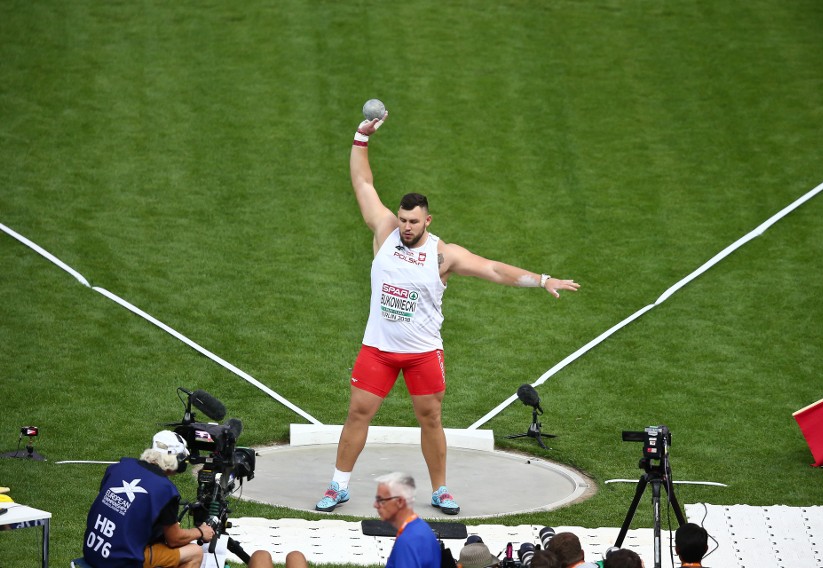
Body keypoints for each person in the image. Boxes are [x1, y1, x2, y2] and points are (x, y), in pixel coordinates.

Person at [316, 109, 581, 515]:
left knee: (431, 419)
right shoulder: (384, 231)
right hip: (379, 349)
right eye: (403, 220)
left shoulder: (444, 255)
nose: (405, 227)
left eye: (413, 221)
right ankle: (338, 485)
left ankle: (440, 490)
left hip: (423, 352)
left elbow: (493, 269)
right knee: (357, 413)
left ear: (428, 220)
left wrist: (542, 279)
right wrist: (361, 137)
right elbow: (362, 182)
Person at [82, 430, 273, 568]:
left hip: (94, 551)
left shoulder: (119, 467)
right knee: (194, 553)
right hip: (120, 561)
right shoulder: (164, 489)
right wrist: (201, 531)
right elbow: (174, 540)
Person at [373, 472, 442, 568]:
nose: (375, 505)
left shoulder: (407, 542)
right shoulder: (421, 528)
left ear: (400, 502)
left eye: (381, 500)